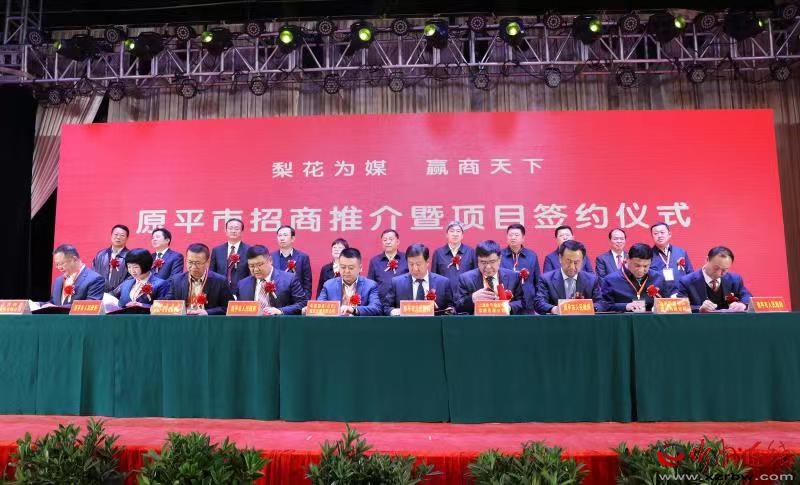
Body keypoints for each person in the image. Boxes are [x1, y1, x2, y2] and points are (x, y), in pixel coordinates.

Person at [454, 240, 525, 315]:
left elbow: (522, 302)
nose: (488, 267)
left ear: (499, 259)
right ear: (477, 261)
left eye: (492, 262)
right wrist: (472, 298)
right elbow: (457, 306)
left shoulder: (513, 277)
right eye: (483, 262)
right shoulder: (465, 279)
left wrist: (508, 307)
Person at [383, 243, 454, 316]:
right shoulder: (397, 283)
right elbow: (386, 308)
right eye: (411, 264)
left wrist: (449, 311)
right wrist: (400, 311)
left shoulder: (443, 283)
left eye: (418, 264)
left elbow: (451, 308)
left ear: (427, 262)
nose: (415, 269)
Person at [533, 240, 601, 315]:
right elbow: (539, 302)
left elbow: (601, 302)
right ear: (560, 258)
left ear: (582, 261)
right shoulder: (546, 279)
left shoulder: (592, 280)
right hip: (556, 321)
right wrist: (553, 309)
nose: (572, 267)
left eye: (576, 262)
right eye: (568, 261)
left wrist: (591, 308)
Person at [676, 246, 751, 312]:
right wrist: (699, 308)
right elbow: (680, 306)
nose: (719, 273)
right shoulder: (687, 281)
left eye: (724, 270)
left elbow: (748, 298)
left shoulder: (734, 279)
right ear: (707, 260)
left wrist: (743, 305)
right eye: (716, 268)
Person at [236, 245, 307, 315]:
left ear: (270, 260)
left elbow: (302, 303)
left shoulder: (289, 279)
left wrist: (281, 311)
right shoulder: (242, 285)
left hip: (280, 321)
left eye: (259, 265)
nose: (256, 269)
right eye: (251, 266)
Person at [166, 243, 232, 315]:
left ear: (207, 262)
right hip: (184, 319)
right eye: (190, 262)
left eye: (198, 263)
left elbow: (228, 307)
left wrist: (207, 312)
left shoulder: (220, 281)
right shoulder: (177, 280)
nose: (193, 267)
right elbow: (168, 303)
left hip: (207, 320)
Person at [600, 242, 666, 312]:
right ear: (627, 259)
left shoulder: (658, 278)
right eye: (637, 265)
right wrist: (625, 306)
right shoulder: (610, 280)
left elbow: (666, 303)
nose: (641, 270)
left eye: (645, 266)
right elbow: (604, 306)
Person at [315, 247, 382, 316]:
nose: (347, 271)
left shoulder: (370, 286)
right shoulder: (328, 285)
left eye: (351, 268)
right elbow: (319, 308)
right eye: (343, 267)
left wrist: (353, 310)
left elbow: (376, 308)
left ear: (360, 268)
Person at [500, 223, 541, 314]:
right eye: (510, 235)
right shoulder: (499, 256)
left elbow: (537, 281)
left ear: (523, 238)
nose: (513, 237)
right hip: (506, 303)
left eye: (516, 235)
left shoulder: (532, 256)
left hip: (528, 302)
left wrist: (536, 301)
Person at [649, 222, 694, 296]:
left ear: (669, 234)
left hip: (681, 296)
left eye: (662, 232)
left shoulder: (681, 252)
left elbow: (690, 274)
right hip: (659, 297)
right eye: (656, 233)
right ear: (652, 236)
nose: (659, 236)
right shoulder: (648, 255)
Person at [431, 221, 477, 291]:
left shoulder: (471, 252)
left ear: (462, 235)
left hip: (466, 294)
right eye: (452, 231)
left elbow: (476, 276)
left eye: (458, 231)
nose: (455, 234)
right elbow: (434, 277)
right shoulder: (438, 253)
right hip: (445, 294)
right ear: (447, 234)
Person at [209, 218, 250, 293]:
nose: (233, 231)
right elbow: (212, 273)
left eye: (237, 229)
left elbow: (251, 274)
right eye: (230, 228)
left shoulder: (249, 250)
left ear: (242, 231)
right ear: (226, 231)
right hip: (220, 291)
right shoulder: (217, 250)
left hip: (242, 290)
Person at [271, 225, 312, 299]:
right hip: (276, 299)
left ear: (292, 238)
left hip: (297, 299)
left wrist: (305, 301)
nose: (282, 238)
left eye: (285, 235)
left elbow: (307, 283)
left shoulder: (302, 257)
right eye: (279, 235)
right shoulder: (271, 257)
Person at [367, 229, 409, 303]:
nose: (388, 242)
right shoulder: (375, 261)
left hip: (403, 302)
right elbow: (370, 284)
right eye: (385, 240)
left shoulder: (406, 258)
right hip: (381, 304)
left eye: (391, 239)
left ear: (397, 242)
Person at [91, 224, 130, 296]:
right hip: (100, 294)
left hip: (120, 296)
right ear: (111, 235)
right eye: (116, 234)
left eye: (122, 235)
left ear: (127, 238)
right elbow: (94, 274)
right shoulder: (101, 255)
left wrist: (114, 293)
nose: (118, 237)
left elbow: (131, 279)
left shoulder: (130, 256)